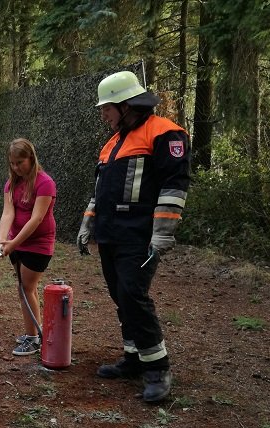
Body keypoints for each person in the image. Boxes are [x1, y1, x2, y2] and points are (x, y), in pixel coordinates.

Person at [77, 70, 190, 402]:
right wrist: (87, 223)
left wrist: (162, 233)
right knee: (119, 294)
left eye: (107, 108)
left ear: (126, 105)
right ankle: (134, 357)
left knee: (132, 294)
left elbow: (174, 186)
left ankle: (157, 369)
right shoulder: (113, 143)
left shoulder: (164, 133)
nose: (103, 115)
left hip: (139, 235)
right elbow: (101, 190)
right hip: (110, 233)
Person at [0, 139, 57, 357]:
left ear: (31, 158)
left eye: (19, 162)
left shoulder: (45, 183)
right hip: (16, 242)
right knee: (24, 287)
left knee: (26, 288)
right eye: (12, 163)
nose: (15, 168)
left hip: (38, 243)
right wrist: (2, 239)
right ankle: (34, 331)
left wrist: (13, 244)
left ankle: (33, 339)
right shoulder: (11, 184)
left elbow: (36, 218)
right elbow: (8, 213)